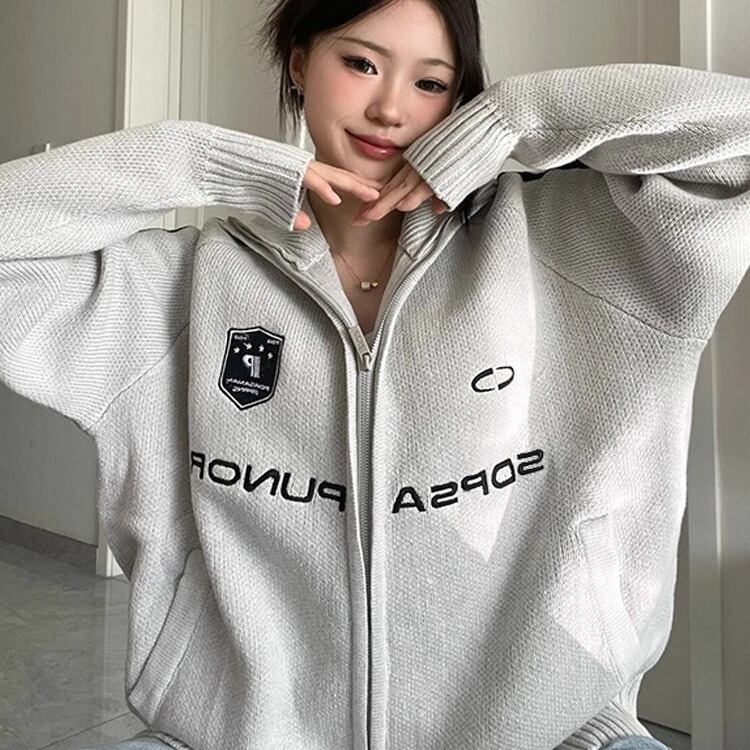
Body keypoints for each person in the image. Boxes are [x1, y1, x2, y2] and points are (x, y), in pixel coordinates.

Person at [1, 0, 748, 748]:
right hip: (227, 735)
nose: (390, 109)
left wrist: (520, 117)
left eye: (431, 83)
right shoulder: (177, 289)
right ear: (300, 63)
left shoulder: (578, 244)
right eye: (360, 63)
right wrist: (200, 160)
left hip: (558, 734)